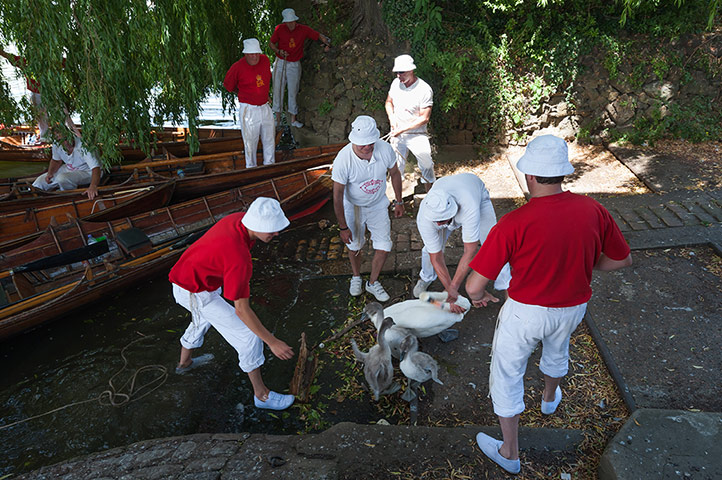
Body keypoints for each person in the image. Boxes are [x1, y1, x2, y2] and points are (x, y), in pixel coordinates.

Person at [464, 135, 632, 474]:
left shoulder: (513, 223)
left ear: (529, 176)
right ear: (562, 174)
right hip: (572, 309)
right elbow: (622, 260)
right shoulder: (593, 210)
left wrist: (479, 297)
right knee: (558, 347)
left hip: (526, 312)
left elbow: (474, 285)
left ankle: (510, 452)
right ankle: (549, 399)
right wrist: (586, 263)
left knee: (507, 374)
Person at [169, 197, 296, 411]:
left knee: (201, 319)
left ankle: (184, 364)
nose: (276, 234)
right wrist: (272, 342)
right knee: (249, 337)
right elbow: (242, 310)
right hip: (195, 291)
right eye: (272, 230)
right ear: (257, 225)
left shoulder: (238, 220)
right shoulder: (239, 258)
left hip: (188, 279)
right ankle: (261, 395)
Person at [332, 115, 405, 302]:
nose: (366, 147)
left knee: (384, 245)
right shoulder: (343, 159)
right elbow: (337, 195)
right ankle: (356, 276)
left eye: (370, 143)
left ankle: (372, 282)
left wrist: (399, 200)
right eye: (362, 145)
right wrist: (342, 227)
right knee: (354, 245)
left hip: (378, 203)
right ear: (353, 142)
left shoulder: (384, 149)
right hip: (354, 205)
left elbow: (395, 173)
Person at [414, 173, 511, 313]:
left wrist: (453, 287)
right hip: (451, 190)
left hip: (476, 193)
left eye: (443, 220)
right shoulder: (424, 217)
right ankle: (426, 277)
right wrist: (450, 290)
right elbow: (436, 257)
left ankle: (507, 287)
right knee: (429, 249)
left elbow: (470, 251)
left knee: (493, 244)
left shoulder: (469, 205)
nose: (440, 224)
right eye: (438, 221)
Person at [269, 8, 331, 128]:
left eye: (292, 21)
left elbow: (317, 35)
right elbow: (271, 43)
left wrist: (326, 41)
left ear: (295, 20)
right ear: (285, 22)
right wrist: (278, 51)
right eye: (288, 22)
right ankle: (277, 119)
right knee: (278, 90)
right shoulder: (279, 29)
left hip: (294, 63)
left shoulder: (303, 29)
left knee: (293, 91)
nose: (291, 24)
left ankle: (293, 119)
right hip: (281, 62)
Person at [385, 54, 435, 192]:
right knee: (395, 167)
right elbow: (388, 102)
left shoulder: (424, 89)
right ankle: (397, 199)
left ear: (411, 71)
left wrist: (402, 129)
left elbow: (424, 118)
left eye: (401, 72)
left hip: (416, 134)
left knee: (426, 164)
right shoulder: (395, 84)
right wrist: (392, 118)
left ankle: (431, 195)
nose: (398, 76)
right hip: (397, 133)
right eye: (397, 72)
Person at [223, 38, 275, 168]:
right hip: (249, 109)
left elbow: (265, 80)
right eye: (251, 54)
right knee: (250, 142)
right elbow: (228, 85)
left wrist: (265, 94)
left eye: (256, 53)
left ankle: (270, 165)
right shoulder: (237, 67)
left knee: (269, 139)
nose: (254, 56)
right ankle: (251, 167)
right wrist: (243, 94)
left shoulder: (265, 60)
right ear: (245, 54)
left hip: (265, 107)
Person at [31, 133, 102, 200]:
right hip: (69, 168)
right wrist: (50, 173)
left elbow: (96, 168)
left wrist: (93, 186)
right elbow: (56, 161)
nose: (65, 142)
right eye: (61, 140)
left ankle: (65, 195)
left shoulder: (84, 146)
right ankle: (34, 198)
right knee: (39, 182)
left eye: (66, 138)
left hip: (88, 171)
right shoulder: (57, 144)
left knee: (62, 178)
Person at [1, 49, 48, 142]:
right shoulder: (27, 62)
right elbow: (11, 57)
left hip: (43, 93)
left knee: (42, 116)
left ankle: (45, 137)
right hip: (37, 93)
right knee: (41, 116)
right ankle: (46, 134)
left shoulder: (28, 62)